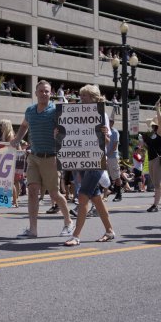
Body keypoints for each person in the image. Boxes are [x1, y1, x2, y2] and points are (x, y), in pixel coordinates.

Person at [10, 80, 74, 238]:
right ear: (36, 92)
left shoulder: (55, 111)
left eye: (47, 91)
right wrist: (17, 138)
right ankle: (33, 230)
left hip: (51, 158)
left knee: (54, 194)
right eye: (41, 91)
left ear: (51, 93)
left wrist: (59, 134)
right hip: (33, 157)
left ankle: (68, 222)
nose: (44, 93)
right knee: (32, 191)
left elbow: (67, 131)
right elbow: (24, 125)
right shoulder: (30, 111)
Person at [64, 84, 115, 246]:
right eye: (81, 96)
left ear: (93, 98)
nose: (82, 99)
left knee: (83, 196)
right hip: (81, 161)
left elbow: (107, 142)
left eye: (85, 96)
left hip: (96, 160)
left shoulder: (101, 115)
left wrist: (105, 135)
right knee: (96, 198)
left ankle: (76, 235)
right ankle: (110, 231)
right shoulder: (76, 114)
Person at [142, 101, 161, 212]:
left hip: (158, 160)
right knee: (156, 184)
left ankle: (155, 205)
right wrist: (145, 142)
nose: (153, 125)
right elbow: (149, 147)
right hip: (151, 159)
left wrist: (157, 109)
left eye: (155, 124)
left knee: (157, 184)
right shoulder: (153, 134)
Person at [106, 118, 122, 202]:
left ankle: (119, 194)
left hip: (112, 157)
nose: (107, 123)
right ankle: (108, 192)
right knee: (107, 175)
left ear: (112, 123)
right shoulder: (105, 131)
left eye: (109, 122)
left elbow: (115, 146)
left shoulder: (115, 132)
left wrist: (107, 154)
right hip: (106, 156)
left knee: (116, 175)